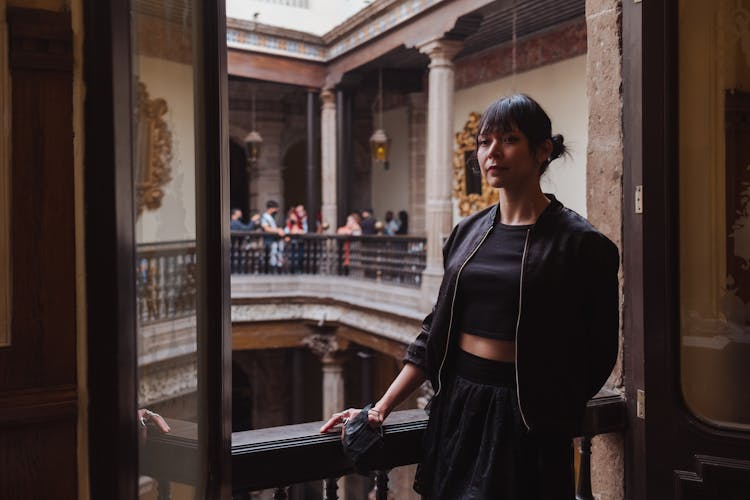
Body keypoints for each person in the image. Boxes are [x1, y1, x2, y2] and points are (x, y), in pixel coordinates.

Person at [321, 94, 619, 499]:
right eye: (484, 142)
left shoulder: (580, 244)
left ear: (542, 150)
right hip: (459, 406)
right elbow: (435, 332)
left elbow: (599, 350)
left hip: (527, 415)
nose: (492, 152)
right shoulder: (467, 234)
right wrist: (380, 407)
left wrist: (552, 410)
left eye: (509, 139)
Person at [261, 200, 286, 273]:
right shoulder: (265, 217)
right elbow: (266, 228)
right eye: (276, 208)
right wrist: (278, 230)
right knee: (271, 256)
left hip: (274, 240)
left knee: (276, 256)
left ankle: (276, 269)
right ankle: (271, 271)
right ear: (271, 208)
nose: (277, 210)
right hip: (269, 240)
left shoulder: (271, 217)